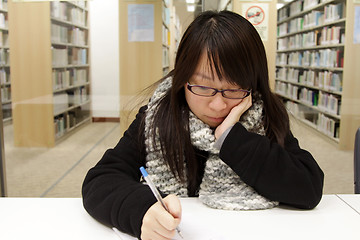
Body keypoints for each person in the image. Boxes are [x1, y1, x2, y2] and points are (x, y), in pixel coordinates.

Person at [82, 10, 324, 240]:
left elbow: (308, 188)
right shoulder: (157, 118)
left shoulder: (264, 118)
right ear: (182, 79)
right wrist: (142, 211)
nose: (218, 105)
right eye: (203, 87)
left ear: (253, 85)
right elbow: (101, 181)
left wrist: (231, 138)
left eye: (234, 88)